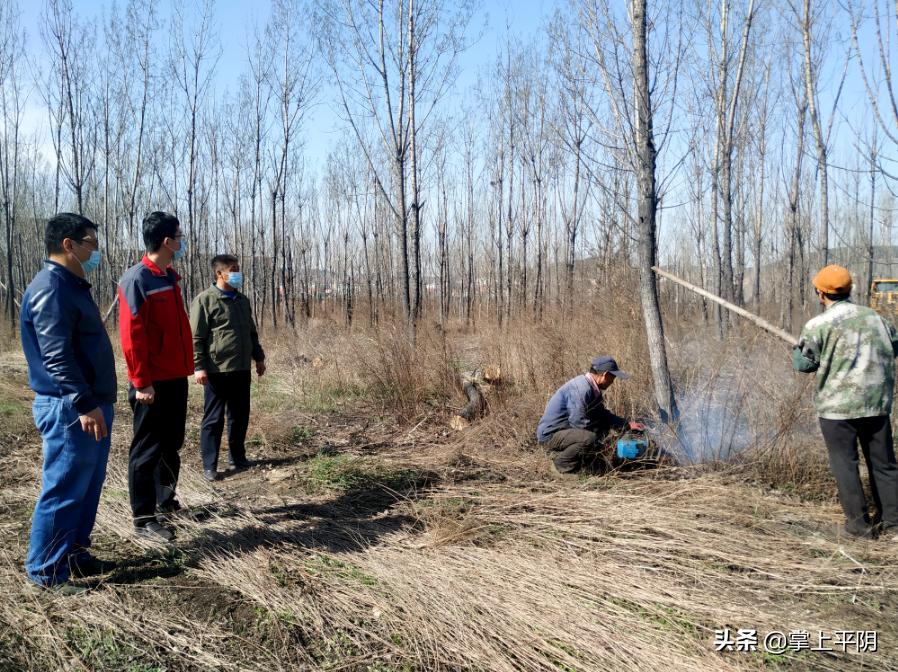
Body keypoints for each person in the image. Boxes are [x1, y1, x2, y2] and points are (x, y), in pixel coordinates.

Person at [20, 213, 117, 593]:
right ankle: (45, 571)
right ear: (68, 245)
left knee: (87, 485)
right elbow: (56, 356)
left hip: (90, 403)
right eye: (90, 243)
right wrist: (83, 402)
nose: (95, 251)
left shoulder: (72, 285)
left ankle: (74, 553)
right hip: (70, 407)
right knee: (63, 487)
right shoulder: (51, 288)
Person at [793, 264, 898, 540]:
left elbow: (803, 365)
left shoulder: (818, 325)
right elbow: (894, 347)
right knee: (884, 463)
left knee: (845, 464)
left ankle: (859, 527)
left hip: (837, 410)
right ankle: (893, 522)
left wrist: (798, 349)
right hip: (876, 404)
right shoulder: (877, 319)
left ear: (820, 293)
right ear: (850, 289)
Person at [118, 211, 193, 542]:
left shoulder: (169, 277)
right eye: (179, 236)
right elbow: (131, 336)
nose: (182, 241)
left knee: (171, 444)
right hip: (151, 383)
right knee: (146, 450)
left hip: (175, 377)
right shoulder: (137, 280)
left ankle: (166, 500)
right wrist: (141, 381)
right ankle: (143, 518)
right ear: (167, 241)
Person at [190, 254, 266, 482]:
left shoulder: (242, 300)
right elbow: (196, 337)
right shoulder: (205, 300)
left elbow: (251, 332)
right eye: (233, 269)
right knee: (213, 419)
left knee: (239, 415)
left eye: (238, 268)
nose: (237, 273)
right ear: (219, 273)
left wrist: (258, 357)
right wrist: (198, 367)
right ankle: (209, 466)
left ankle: (237, 457)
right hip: (216, 370)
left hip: (241, 368)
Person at [536, 355, 643, 475]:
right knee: (589, 439)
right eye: (612, 378)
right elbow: (579, 423)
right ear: (605, 375)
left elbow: (602, 415)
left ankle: (579, 458)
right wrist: (600, 445)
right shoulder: (582, 389)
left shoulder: (592, 388)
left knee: (599, 429)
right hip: (551, 435)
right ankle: (561, 465)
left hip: (565, 432)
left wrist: (626, 424)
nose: (612, 382)